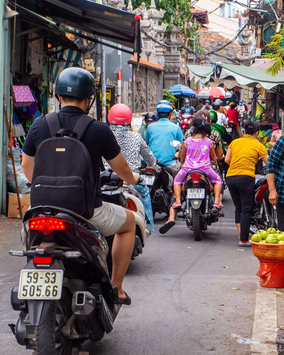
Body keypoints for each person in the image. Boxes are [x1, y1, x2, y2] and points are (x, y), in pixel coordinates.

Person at [20, 67, 139, 305]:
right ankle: (117, 287)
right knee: (130, 223)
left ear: (59, 97)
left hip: (41, 211)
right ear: (89, 99)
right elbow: (122, 169)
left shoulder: (39, 125)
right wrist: (132, 178)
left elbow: (26, 166)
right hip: (87, 213)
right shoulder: (98, 129)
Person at [159, 116, 224, 234]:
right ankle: (216, 202)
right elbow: (213, 156)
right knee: (218, 181)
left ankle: (178, 201)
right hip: (205, 169)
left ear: (192, 128)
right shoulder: (209, 141)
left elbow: (182, 155)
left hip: (188, 169)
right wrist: (216, 164)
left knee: (177, 181)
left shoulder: (187, 141)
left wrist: (182, 164)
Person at [106, 103, 157, 234]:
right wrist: (153, 163)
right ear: (129, 121)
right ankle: (148, 227)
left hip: (107, 181)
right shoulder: (136, 137)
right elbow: (150, 159)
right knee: (145, 192)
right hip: (132, 181)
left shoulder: (104, 136)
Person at [225, 120, 268, 246]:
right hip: (246, 178)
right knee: (246, 209)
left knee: (238, 208)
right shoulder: (258, 145)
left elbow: (227, 160)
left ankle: (241, 236)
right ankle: (244, 240)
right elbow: (268, 162)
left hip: (231, 177)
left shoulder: (234, 142)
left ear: (244, 131)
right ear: (256, 133)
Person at [145, 100, 184, 175]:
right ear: (170, 113)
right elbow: (182, 147)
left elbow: (146, 144)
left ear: (157, 114)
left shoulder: (150, 127)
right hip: (170, 165)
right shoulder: (176, 127)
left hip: (152, 164)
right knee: (178, 183)